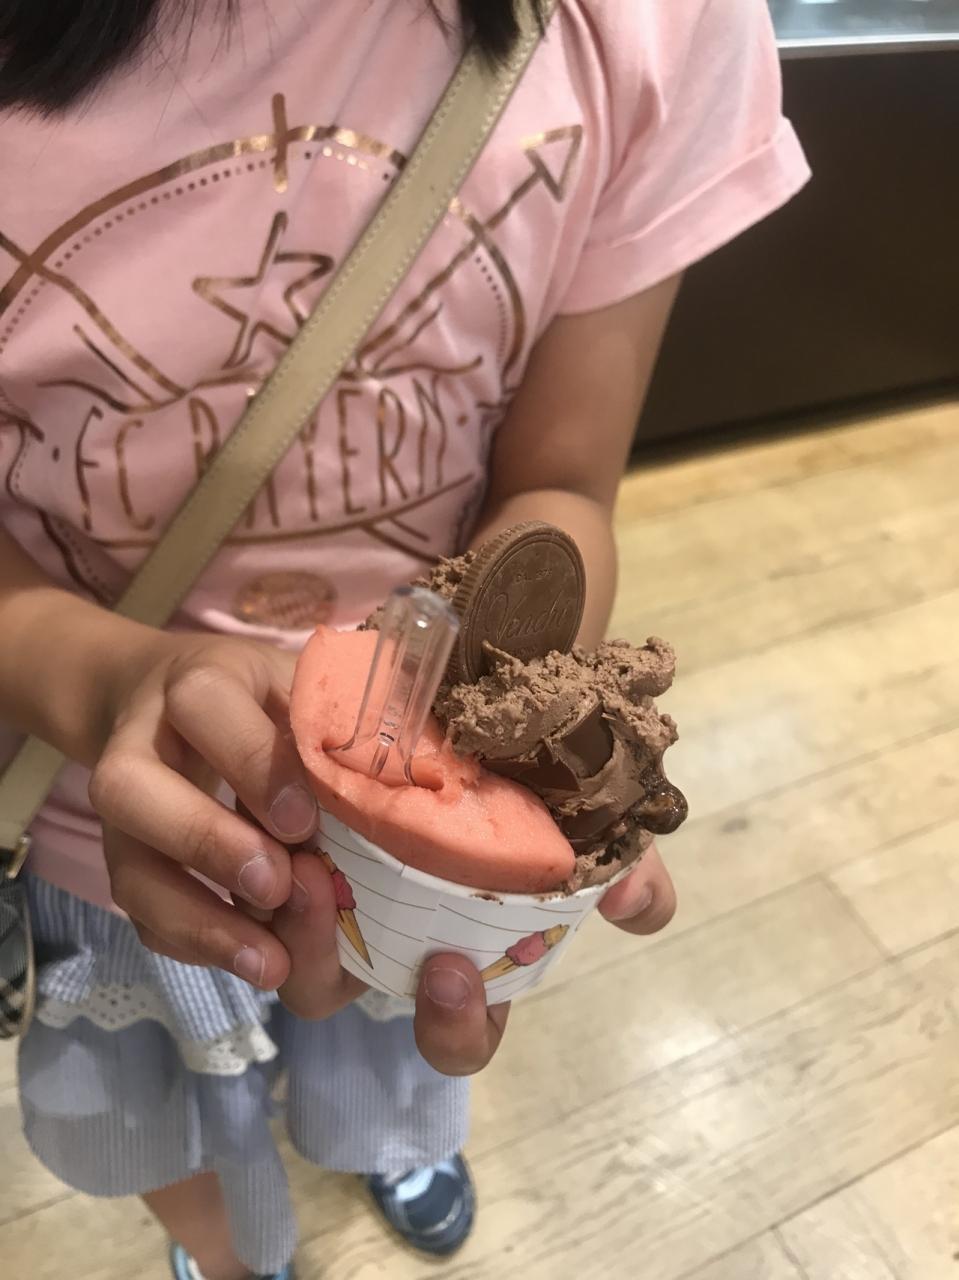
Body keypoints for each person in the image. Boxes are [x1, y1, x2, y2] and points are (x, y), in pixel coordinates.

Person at [0, 1, 809, 1277]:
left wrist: (530, 743)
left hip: (416, 859)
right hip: (88, 821)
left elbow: (560, 484)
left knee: (390, 1047)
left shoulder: (652, 26)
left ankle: (385, 1146)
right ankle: (232, 1250)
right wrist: (106, 680)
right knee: (167, 1118)